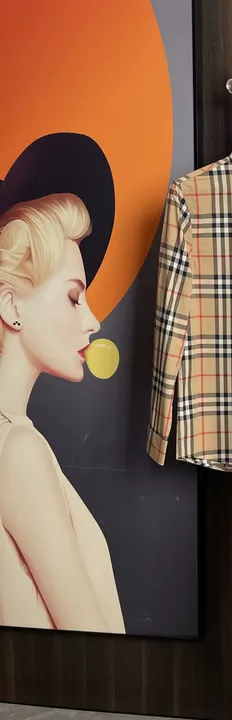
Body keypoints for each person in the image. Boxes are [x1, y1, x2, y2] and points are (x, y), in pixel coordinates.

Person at [0, 134, 124, 633]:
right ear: (10, 306)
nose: (92, 320)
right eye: (74, 298)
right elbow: (92, 645)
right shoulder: (18, 450)